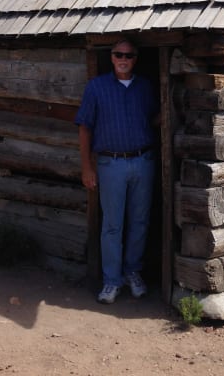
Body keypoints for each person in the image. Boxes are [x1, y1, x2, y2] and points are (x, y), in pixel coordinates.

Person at [75, 39, 159, 304]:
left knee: (140, 220)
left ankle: (132, 272)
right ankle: (111, 280)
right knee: (112, 224)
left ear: (135, 59)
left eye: (129, 55)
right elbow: (85, 127)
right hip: (110, 164)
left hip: (142, 161)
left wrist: (172, 111)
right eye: (118, 54)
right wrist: (87, 167)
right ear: (111, 57)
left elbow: (154, 118)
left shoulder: (145, 87)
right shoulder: (97, 87)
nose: (123, 59)